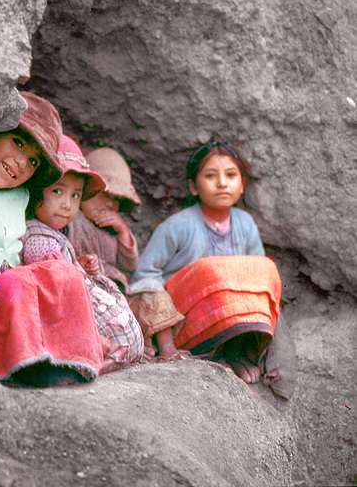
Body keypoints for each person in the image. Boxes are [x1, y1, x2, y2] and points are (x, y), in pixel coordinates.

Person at [0, 93, 103, 387]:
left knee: (63, 272)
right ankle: (19, 363)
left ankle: (63, 359)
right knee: (9, 284)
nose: (21, 164)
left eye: (33, 161)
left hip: (17, 300)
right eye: (17, 143)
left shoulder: (20, 197)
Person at [130, 139, 295, 398]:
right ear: (193, 187)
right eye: (210, 175)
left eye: (231, 175)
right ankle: (216, 354)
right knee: (209, 272)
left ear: (241, 186)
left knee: (265, 271)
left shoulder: (245, 224)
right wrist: (162, 329)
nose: (222, 183)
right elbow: (144, 276)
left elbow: (258, 280)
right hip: (186, 322)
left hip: (232, 323)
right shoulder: (177, 227)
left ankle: (241, 355)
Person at [22, 136, 145, 374]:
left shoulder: (106, 228)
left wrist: (123, 233)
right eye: (57, 191)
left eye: (75, 196)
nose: (67, 205)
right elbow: (54, 278)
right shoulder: (57, 230)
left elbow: (128, 266)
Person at [68, 147, 186, 360]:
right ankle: (134, 348)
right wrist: (81, 264)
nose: (109, 204)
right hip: (91, 295)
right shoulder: (72, 220)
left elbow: (130, 266)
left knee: (151, 288)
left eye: (116, 200)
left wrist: (123, 231)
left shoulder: (111, 229)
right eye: (104, 194)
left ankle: (167, 348)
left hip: (120, 294)